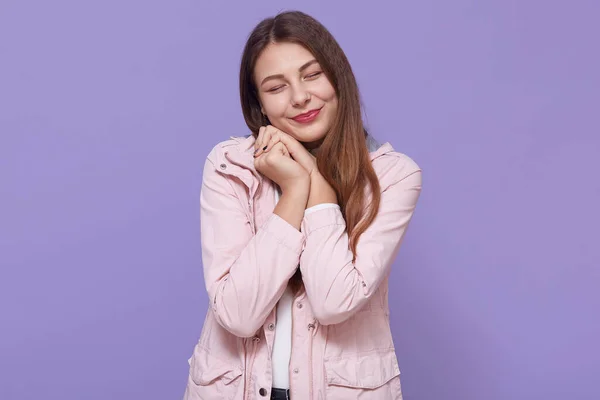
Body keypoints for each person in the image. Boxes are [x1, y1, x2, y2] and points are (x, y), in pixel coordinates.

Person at [184, 10, 422, 400]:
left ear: (338, 76)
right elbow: (238, 315)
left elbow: (333, 302)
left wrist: (316, 186)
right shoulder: (231, 166)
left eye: (312, 75)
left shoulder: (394, 176)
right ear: (259, 104)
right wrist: (294, 189)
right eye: (276, 87)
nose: (300, 97)